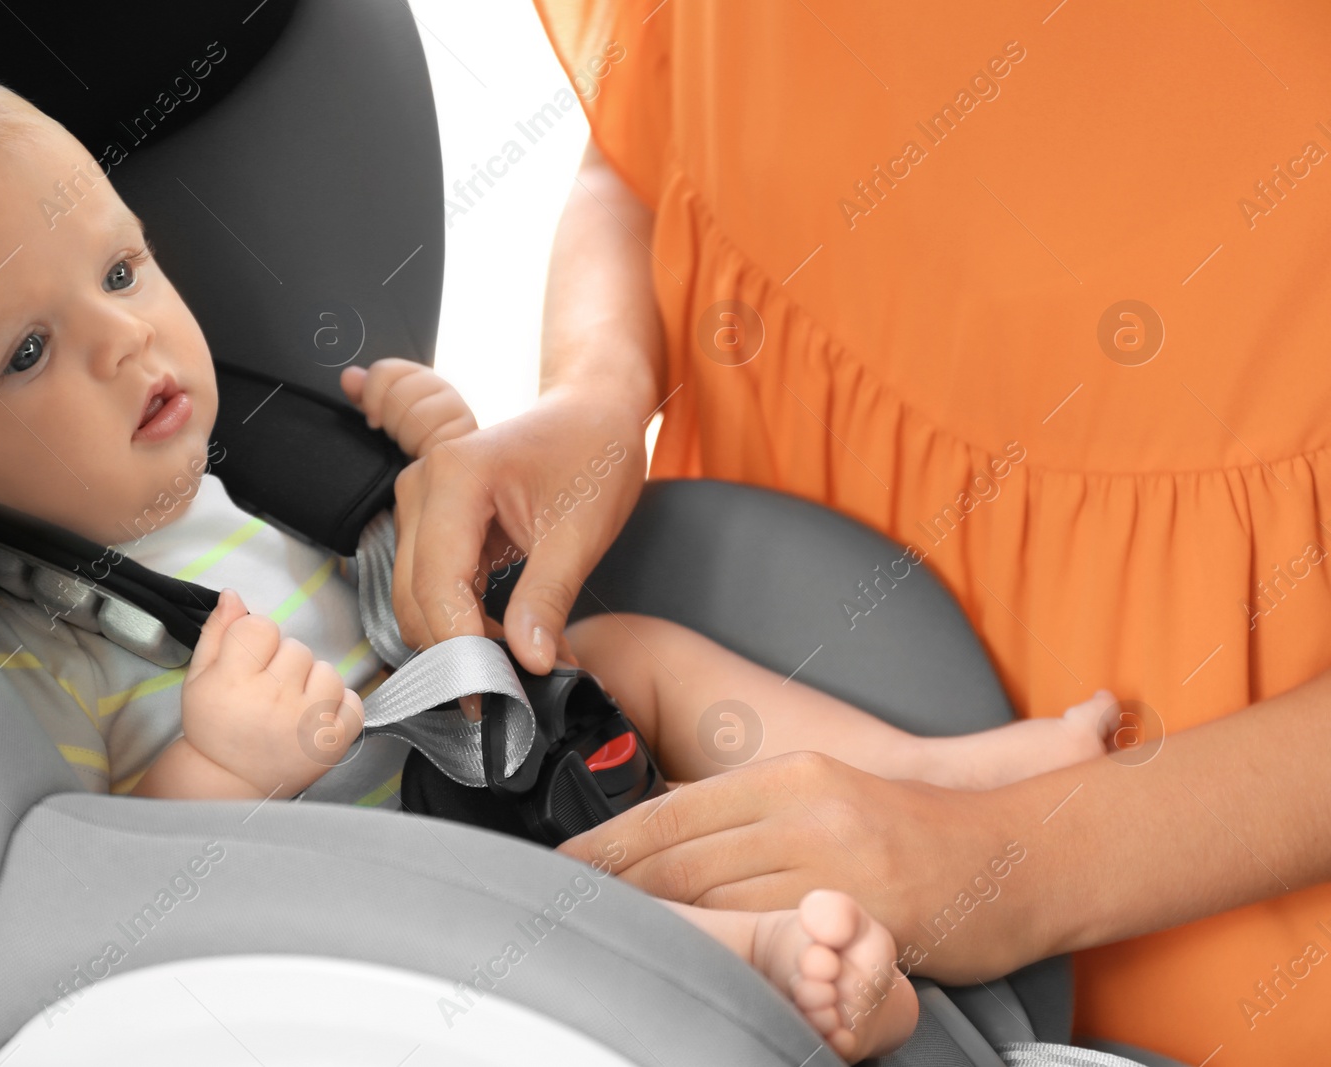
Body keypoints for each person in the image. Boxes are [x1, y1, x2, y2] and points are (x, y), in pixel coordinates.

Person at [0, 71, 958, 1061]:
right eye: (27, 352)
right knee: (525, 906)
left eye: (122, 270)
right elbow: (87, 905)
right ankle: (759, 966)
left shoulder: (256, 461)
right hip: (384, 889)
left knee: (634, 650)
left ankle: (932, 785)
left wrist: (436, 460)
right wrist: (215, 769)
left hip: (494, 748)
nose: (124, 336)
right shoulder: (25, 645)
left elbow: (432, 587)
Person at [386, 3, 1331, 1064]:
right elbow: (649, 137)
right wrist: (597, 389)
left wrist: (1004, 866)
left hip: (1200, 882)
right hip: (760, 638)